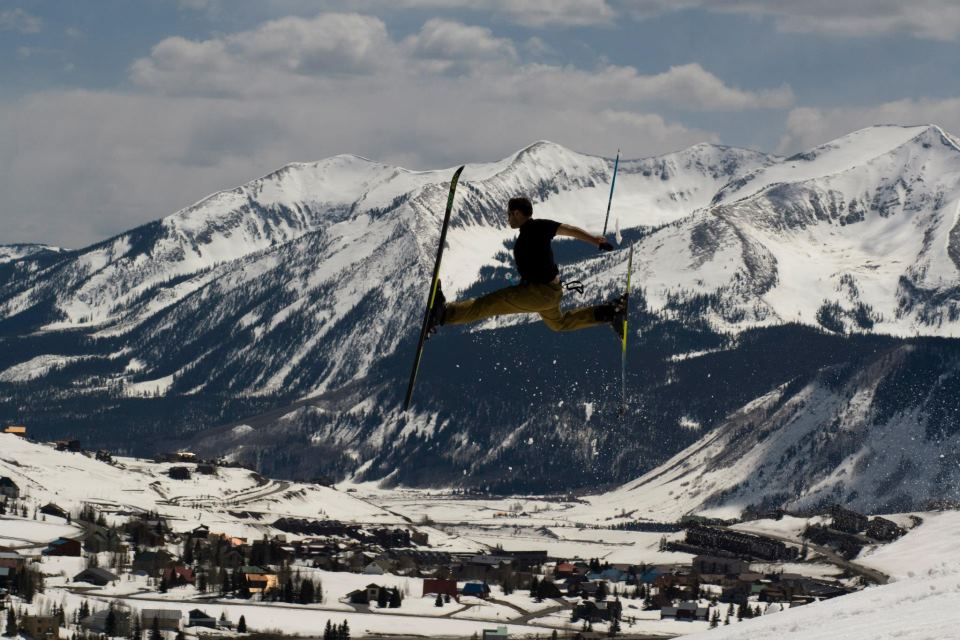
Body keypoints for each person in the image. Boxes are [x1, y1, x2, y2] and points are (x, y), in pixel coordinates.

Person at [427, 196, 626, 339]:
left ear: (517, 213)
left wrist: (595, 241)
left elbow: (569, 230)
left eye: (509, 214)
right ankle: (609, 312)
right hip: (549, 293)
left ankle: (443, 314)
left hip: (540, 293)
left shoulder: (537, 227)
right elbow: (567, 232)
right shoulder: (532, 230)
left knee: (485, 304)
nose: (508, 219)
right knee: (559, 324)